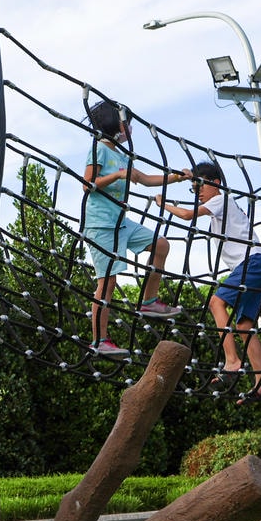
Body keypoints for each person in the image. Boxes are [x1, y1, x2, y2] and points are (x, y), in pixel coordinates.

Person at [155, 161, 261, 401]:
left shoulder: (221, 200)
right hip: (256, 263)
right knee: (244, 326)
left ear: (216, 183)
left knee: (215, 302)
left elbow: (187, 215)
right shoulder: (221, 206)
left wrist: (163, 204)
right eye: (194, 188)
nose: (198, 192)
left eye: (200, 186)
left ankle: (232, 360)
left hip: (251, 262)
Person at [82, 101, 187, 361]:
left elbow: (145, 179)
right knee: (108, 282)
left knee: (161, 244)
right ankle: (99, 341)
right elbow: (87, 184)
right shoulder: (99, 149)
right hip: (101, 224)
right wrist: (116, 176)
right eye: (127, 123)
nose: (129, 128)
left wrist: (176, 177)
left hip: (121, 222)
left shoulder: (122, 155)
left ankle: (149, 301)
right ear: (114, 124)